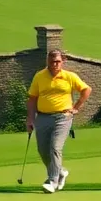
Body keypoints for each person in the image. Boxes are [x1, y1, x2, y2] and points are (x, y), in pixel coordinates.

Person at [27, 50, 91, 193]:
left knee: (55, 147)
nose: (55, 64)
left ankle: (52, 181)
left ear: (63, 61)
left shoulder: (69, 76)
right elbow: (32, 99)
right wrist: (30, 119)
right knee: (43, 150)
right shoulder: (39, 76)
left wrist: (76, 107)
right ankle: (60, 172)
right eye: (52, 62)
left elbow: (86, 90)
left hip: (63, 117)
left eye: (57, 61)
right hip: (42, 117)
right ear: (47, 62)